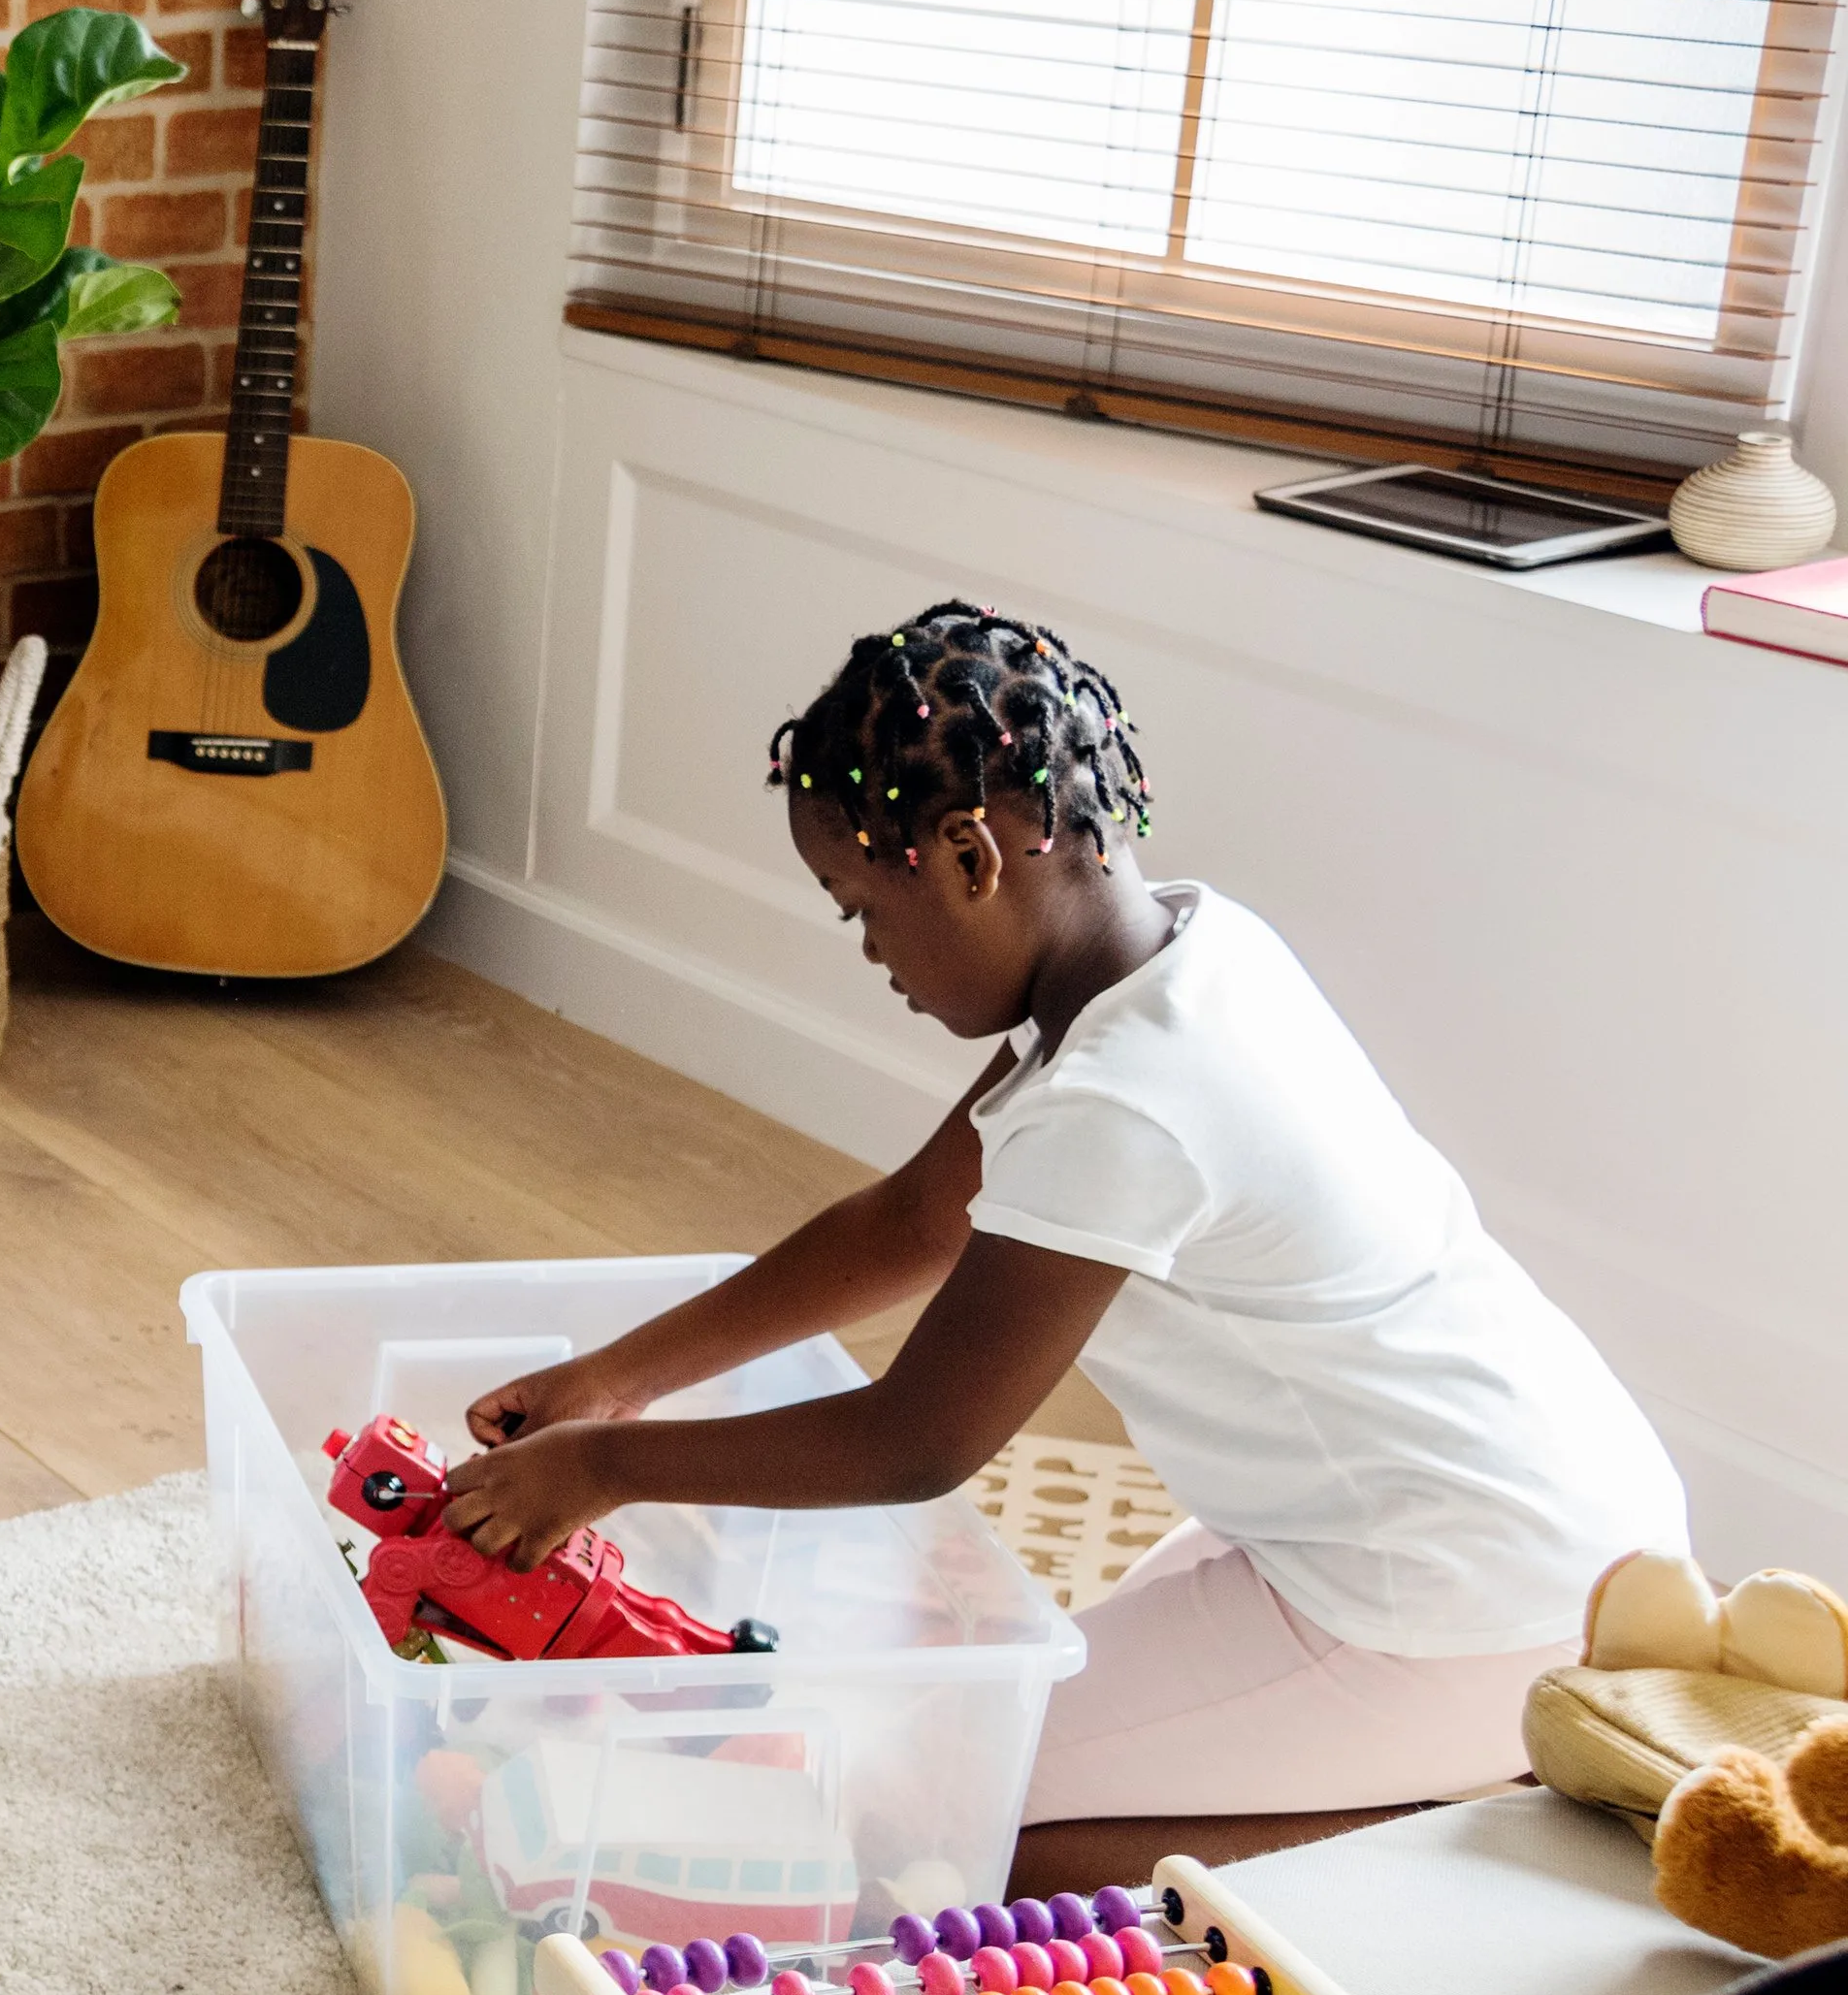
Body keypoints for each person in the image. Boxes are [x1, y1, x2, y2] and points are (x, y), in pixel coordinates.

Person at [439, 601, 1686, 1892]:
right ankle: (1448, 1751)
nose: (871, 952)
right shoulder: (1190, 953)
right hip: (1528, 1517)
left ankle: (1457, 1832)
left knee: (946, 1840)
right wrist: (618, 1377)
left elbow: (912, 1443)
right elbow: (915, 1220)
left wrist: (608, 1470)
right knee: (977, 1745)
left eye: (864, 906)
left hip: (1461, 1600)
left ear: (971, 858)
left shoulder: (1125, 1103)